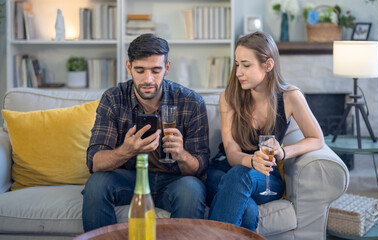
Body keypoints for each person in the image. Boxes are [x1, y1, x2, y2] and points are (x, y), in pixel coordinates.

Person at [82, 33, 210, 232]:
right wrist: (126, 150)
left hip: (174, 180)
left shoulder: (191, 102)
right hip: (131, 178)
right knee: (97, 184)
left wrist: (181, 155)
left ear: (167, 68)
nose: (148, 79)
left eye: (156, 70)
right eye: (140, 70)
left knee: (192, 189)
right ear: (128, 67)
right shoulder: (113, 99)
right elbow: (95, 162)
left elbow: (199, 168)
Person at [207, 31, 324, 231]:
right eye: (237, 64)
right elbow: (232, 152)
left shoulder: (289, 96)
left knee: (241, 177)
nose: (238, 73)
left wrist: (284, 152)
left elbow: (317, 139)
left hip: (266, 178)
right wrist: (251, 161)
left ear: (268, 65)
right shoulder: (229, 97)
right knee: (249, 208)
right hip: (223, 170)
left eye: (246, 65)